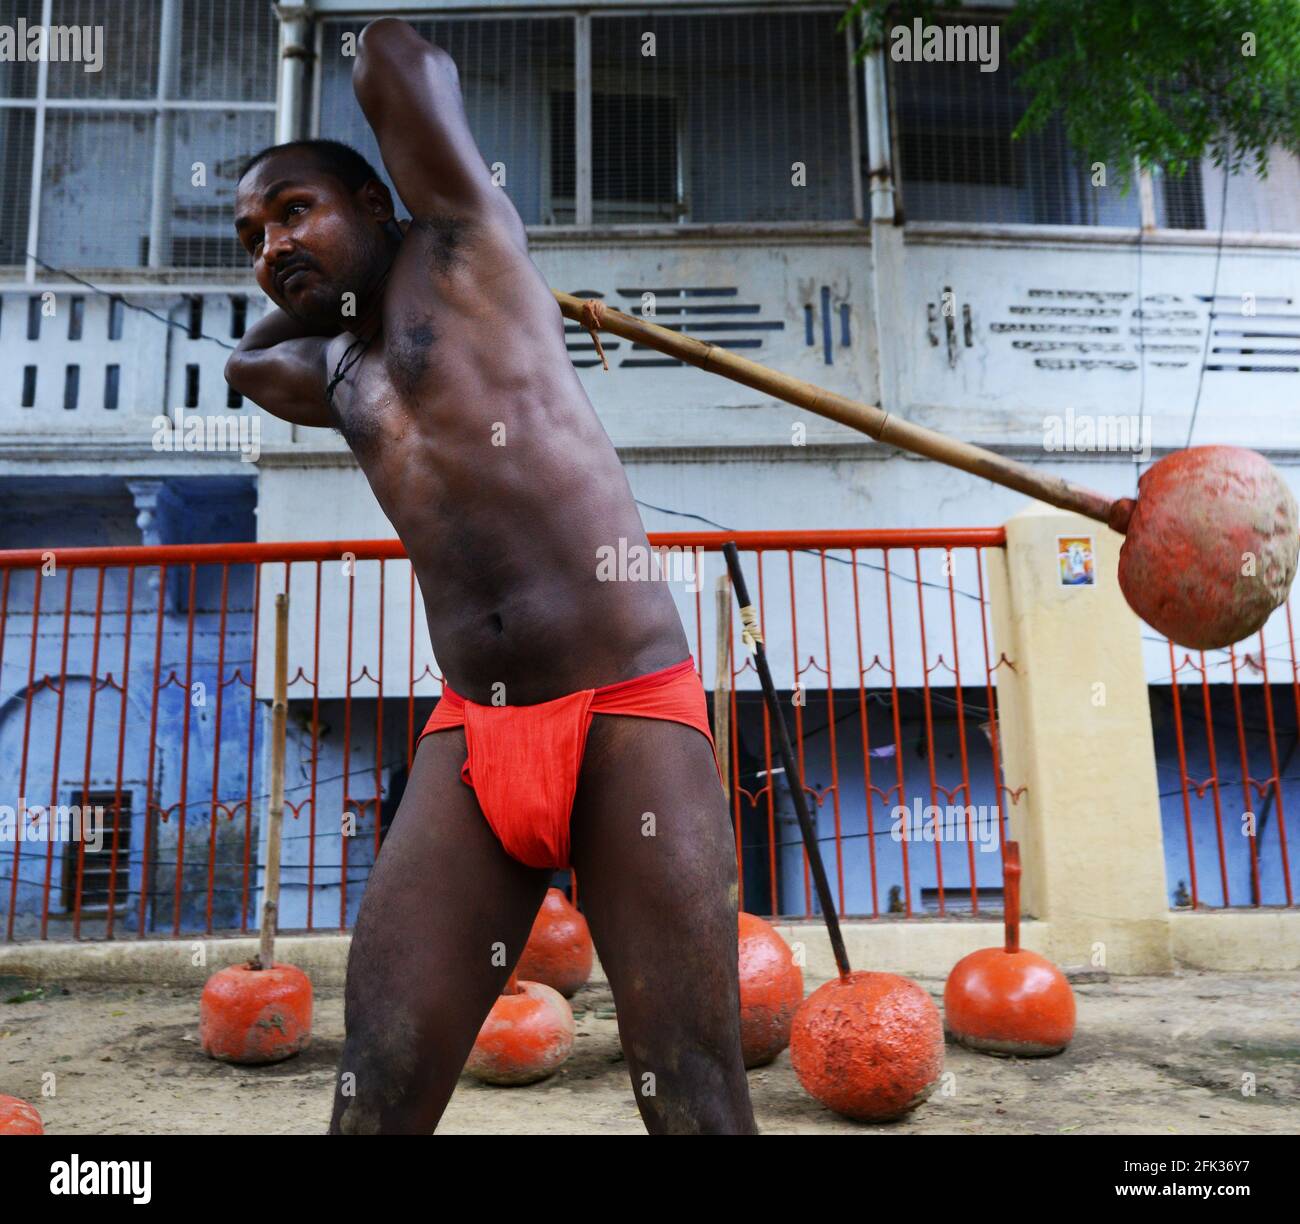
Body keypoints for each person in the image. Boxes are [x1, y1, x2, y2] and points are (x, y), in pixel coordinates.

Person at [226, 16, 756, 1135]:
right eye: (248, 235)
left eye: (293, 210)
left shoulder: (468, 247)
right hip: (473, 737)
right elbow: (245, 360)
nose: (268, 243)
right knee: (375, 1093)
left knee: (695, 1100)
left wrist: (384, 226)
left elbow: (391, 59)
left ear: (381, 202)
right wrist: (306, 270)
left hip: (626, 712)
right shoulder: (338, 372)